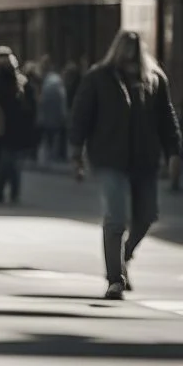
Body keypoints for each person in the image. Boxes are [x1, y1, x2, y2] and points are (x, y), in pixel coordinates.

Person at [70, 30, 181, 300]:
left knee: (146, 216)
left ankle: (124, 256)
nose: (130, 55)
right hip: (110, 158)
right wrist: (77, 154)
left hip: (145, 159)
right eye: (125, 49)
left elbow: (167, 117)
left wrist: (174, 151)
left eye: (134, 49)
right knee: (116, 218)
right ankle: (115, 279)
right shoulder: (99, 77)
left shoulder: (154, 79)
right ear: (117, 49)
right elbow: (81, 116)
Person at [0, 46, 36, 204]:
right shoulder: (20, 81)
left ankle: (0, 192)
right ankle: (12, 192)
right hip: (14, 128)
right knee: (13, 163)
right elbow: (30, 108)